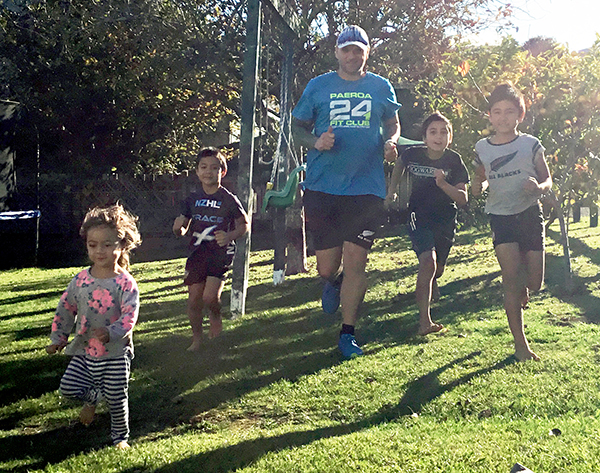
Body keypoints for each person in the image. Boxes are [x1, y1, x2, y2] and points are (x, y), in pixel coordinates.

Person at [291, 25, 401, 359]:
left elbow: (393, 122)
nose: (352, 55)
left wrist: (392, 141)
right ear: (337, 53)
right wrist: (315, 142)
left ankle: (348, 333)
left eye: (358, 50)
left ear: (367, 52)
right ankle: (332, 281)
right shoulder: (319, 86)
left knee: (357, 262)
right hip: (323, 187)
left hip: (366, 188)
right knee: (327, 267)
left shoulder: (380, 87)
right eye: (346, 50)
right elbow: (296, 128)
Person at [46, 204, 142, 449]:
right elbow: (65, 308)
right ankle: (92, 397)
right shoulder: (80, 280)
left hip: (116, 353)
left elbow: (131, 316)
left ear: (121, 246)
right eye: (93, 245)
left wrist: (112, 332)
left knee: (117, 398)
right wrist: (58, 338)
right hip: (85, 349)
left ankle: (120, 438)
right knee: (67, 388)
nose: (100, 250)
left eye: (107, 245)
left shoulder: (125, 283)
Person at [472, 83, 552, 361]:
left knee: (535, 282)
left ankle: (524, 290)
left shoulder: (531, 144)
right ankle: (521, 345)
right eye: (497, 112)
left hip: (529, 213)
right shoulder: (482, 147)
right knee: (510, 279)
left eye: (509, 111)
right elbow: (479, 180)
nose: (503, 117)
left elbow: (547, 179)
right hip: (501, 217)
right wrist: (476, 185)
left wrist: (539, 188)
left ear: (520, 114)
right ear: (489, 115)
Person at [385, 112, 469, 335]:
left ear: (450, 138)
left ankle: (433, 282)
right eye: (433, 132)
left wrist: (443, 185)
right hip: (418, 216)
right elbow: (400, 162)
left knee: (437, 270)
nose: (438, 137)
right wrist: (392, 191)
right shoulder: (413, 154)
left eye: (444, 132)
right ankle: (425, 322)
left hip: (445, 219)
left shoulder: (454, 160)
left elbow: (462, 198)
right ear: (424, 137)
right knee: (428, 263)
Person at [173, 147, 249, 351]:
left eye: (214, 168)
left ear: (222, 172)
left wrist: (229, 236)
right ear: (197, 172)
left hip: (220, 252)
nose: (208, 172)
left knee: (209, 297)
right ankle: (197, 339)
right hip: (197, 253)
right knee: (194, 299)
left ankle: (215, 314)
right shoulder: (191, 199)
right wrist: (179, 228)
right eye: (204, 167)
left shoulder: (228, 199)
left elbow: (244, 224)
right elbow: (183, 221)